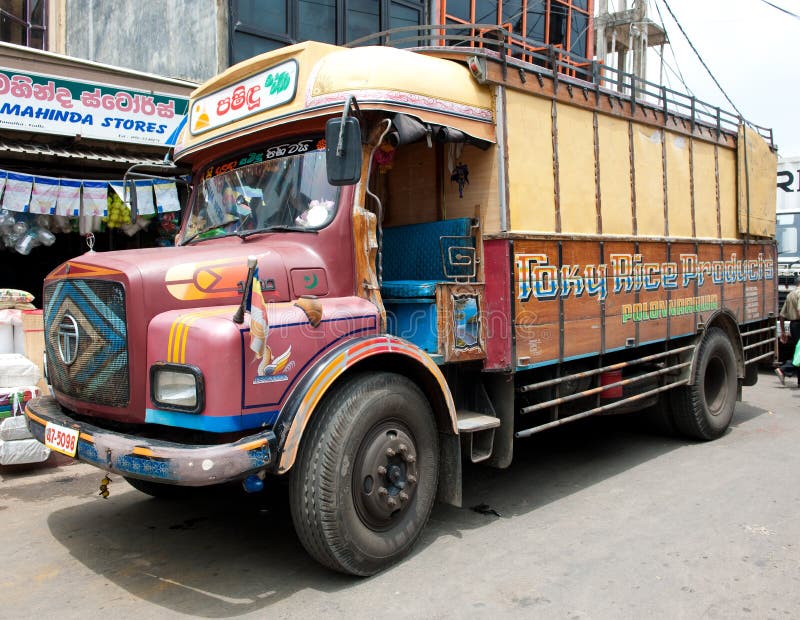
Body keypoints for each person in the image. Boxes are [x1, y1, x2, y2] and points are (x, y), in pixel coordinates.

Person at [776, 274, 800, 384]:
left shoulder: (790, 295)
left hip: (793, 325)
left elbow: (781, 315)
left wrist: (783, 332)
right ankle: (783, 369)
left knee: (798, 352)